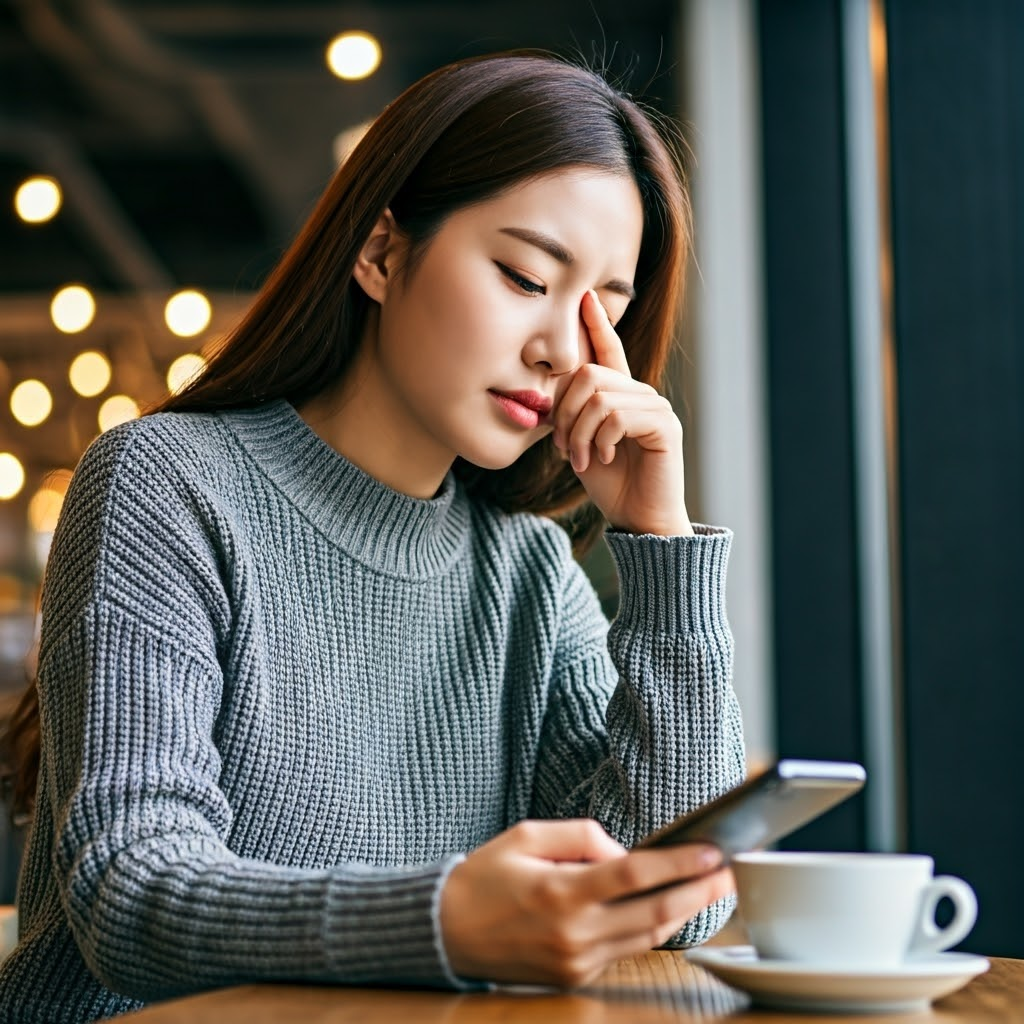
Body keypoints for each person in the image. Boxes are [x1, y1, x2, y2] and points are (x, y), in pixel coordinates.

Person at [0, 49, 745, 1022]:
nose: (564, 348)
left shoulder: (523, 573)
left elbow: (674, 899)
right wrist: (442, 918)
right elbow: (130, 893)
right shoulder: (169, 480)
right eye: (525, 276)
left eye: (605, 306)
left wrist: (658, 540)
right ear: (382, 252)